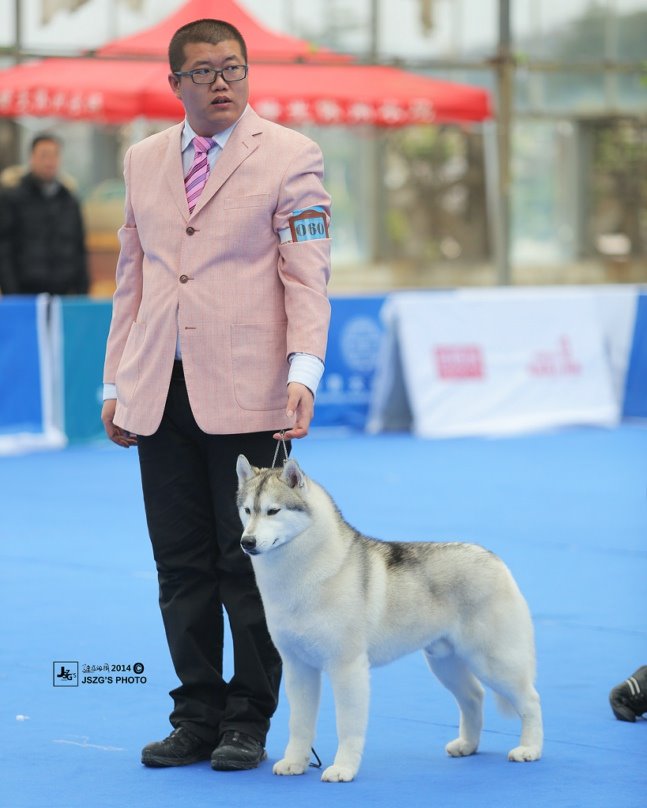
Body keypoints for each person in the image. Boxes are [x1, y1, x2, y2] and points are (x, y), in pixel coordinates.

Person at [101, 18, 331, 772]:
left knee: (249, 566)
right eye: (203, 71)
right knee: (180, 566)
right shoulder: (141, 159)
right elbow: (131, 277)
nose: (221, 82)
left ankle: (248, 719)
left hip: (251, 389)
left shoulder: (292, 154)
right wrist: (116, 381)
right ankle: (194, 715)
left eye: (233, 67)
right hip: (156, 390)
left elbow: (307, 274)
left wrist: (303, 371)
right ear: (176, 83)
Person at [0, 133, 89, 296]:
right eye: (44, 155)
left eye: (54, 155)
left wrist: (82, 292)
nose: (49, 162)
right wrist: (11, 294)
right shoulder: (12, 199)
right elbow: (4, 249)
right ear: (31, 158)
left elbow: (79, 249)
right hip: (24, 294)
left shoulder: (69, 201)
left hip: (64, 294)